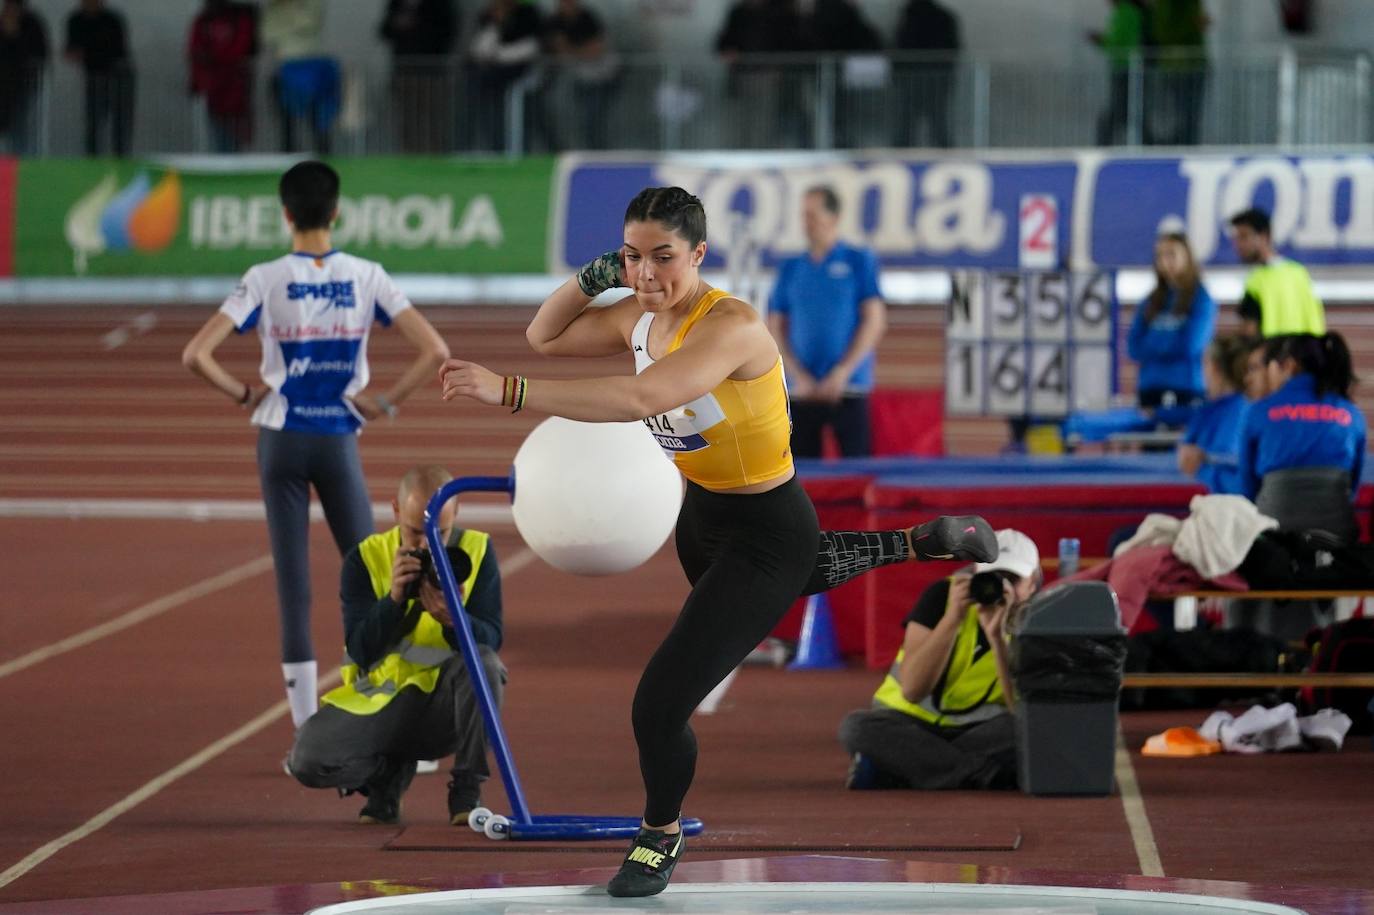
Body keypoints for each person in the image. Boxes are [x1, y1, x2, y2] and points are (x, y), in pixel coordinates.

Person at [437, 185, 997, 897]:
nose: (647, 275)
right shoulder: (637, 317)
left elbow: (639, 399)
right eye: (633, 258)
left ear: (698, 254)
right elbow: (543, 334)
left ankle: (659, 832)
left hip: (769, 525)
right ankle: (919, 542)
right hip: (700, 519)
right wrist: (593, 278)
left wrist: (509, 392)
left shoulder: (730, 326)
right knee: (784, 583)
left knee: (659, 703)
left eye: (663, 258)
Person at [181, 161, 450, 736]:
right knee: (384, 576)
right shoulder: (367, 275)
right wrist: (388, 402)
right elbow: (435, 350)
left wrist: (245, 394)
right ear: (336, 212)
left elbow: (194, 355)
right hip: (336, 438)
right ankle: (397, 719)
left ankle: (306, 734)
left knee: (294, 588)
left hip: (280, 438)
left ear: (285, 215)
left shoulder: (263, 277)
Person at [288, 465, 505, 826]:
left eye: (440, 533)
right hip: (380, 702)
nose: (426, 546)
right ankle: (385, 777)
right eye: (415, 533)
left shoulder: (476, 551)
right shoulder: (366, 557)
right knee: (306, 760)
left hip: (444, 708)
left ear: (457, 515)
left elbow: (493, 638)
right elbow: (359, 649)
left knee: (486, 663)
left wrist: (454, 620)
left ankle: (466, 790)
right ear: (394, 511)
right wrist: (393, 602)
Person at [838, 529, 1040, 791]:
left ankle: (904, 771)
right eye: (994, 576)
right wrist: (952, 619)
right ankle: (983, 775)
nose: (1002, 587)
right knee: (856, 728)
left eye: (1013, 579)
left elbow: (1019, 708)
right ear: (975, 573)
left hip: (978, 731)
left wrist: (997, 639)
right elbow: (912, 690)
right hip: (909, 723)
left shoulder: (1036, 621)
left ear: (1033, 582)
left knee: (1029, 728)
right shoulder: (942, 597)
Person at [768, 185, 887, 458]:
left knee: (857, 473)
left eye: (812, 215)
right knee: (800, 478)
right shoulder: (791, 267)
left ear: (833, 218)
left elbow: (874, 321)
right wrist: (798, 376)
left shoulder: (859, 261)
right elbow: (775, 326)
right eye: (803, 215)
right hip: (801, 390)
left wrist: (842, 372)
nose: (805, 223)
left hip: (849, 387)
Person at [1239, 333, 1364, 545]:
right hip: (1338, 537)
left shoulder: (1259, 411)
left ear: (1288, 366)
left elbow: (1247, 486)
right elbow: (1353, 486)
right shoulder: (1351, 414)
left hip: (1274, 534)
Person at [1127, 232, 1216, 411]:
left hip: (1186, 391)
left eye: (1172, 254)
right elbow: (1134, 348)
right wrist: (1170, 341)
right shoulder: (1150, 301)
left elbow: (1191, 345)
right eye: (1160, 255)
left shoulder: (1201, 300)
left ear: (1187, 257)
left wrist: (1154, 342)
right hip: (1150, 391)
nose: (1165, 262)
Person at [1229, 208, 1325, 338]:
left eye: (1244, 237)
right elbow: (1316, 321)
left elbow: (1248, 331)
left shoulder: (1256, 281)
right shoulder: (1299, 273)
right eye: (1236, 238)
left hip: (1269, 355)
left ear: (1264, 236)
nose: (1238, 244)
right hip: (1302, 355)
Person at [1176, 334, 1252, 495]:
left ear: (1214, 367)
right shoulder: (1205, 411)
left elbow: (1231, 469)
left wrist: (1200, 464)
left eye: (1203, 363)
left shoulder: (1238, 410)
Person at [378, 0, 457, 153]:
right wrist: (398, 25)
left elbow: (447, 33)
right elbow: (384, 31)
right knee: (407, 118)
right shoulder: (396, 4)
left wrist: (417, 27)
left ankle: (434, 154)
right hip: (403, 71)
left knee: (432, 118)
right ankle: (409, 153)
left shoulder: (440, 5)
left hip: (432, 72)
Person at [262, 0, 338, 153]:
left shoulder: (311, 4)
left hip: (313, 66)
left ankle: (324, 159)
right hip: (284, 69)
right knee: (287, 121)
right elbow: (268, 36)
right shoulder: (273, 8)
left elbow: (310, 23)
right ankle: (289, 159)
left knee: (317, 119)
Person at [466, 0, 542, 153]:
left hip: (523, 80)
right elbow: (479, 50)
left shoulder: (528, 14)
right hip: (492, 86)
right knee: (492, 119)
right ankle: (496, 150)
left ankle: (527, 153)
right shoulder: (488, 17)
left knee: (532, 121)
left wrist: (498, 55)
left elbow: (530, 48)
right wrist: (497, 24)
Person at [542, 0, 619, 151]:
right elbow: (551, 47)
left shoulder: (587, 18)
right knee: (560, 118)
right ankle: (563, 152)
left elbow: (595, 50)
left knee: (593, 121)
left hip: (598, 78)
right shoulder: (554, 21)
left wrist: (570, 49)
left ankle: (595, 154)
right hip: (568, 79)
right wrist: (575, 51)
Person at [187, 0, 258, 154]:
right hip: (212, 88)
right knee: (216, 132)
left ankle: (234, 162)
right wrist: (197, 81)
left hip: (236, 88)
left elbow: (240, 49)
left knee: (235, 133)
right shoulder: (203, 21)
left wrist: (213, 58)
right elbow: (194, 50)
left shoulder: (241, 19)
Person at [64, 0, 132, 156]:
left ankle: (120, 159)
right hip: (92, 80)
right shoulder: (76, 20)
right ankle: (92, 160)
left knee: (120, 123)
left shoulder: (112, 21)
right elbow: (70, 51)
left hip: (117, 80)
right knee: (93, 123)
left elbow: (120, 51)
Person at [892, 0, 961, 148]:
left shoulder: (909, 17)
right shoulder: (943, 17)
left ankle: (901, 154)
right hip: (935, 80)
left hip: (914, 80)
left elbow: (900, 46)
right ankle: (946, 154)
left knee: (909, 123)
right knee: (936, 121)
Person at [1090, 0, 1147, 146]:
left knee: (1122, 110)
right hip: (1124, 68)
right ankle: (1144, 142)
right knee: (1128, 110)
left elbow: (1119, 43)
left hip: (1126, 69)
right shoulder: (1126, 11)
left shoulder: (1126, 12)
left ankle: (1104, 144)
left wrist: (1102, 41)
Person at [0, 0, 48, 156]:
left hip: (26, 87)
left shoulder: (32, 24)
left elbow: (39, 54)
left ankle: (22, 161)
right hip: (3, 89)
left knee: (24, 128)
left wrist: (14, 35)